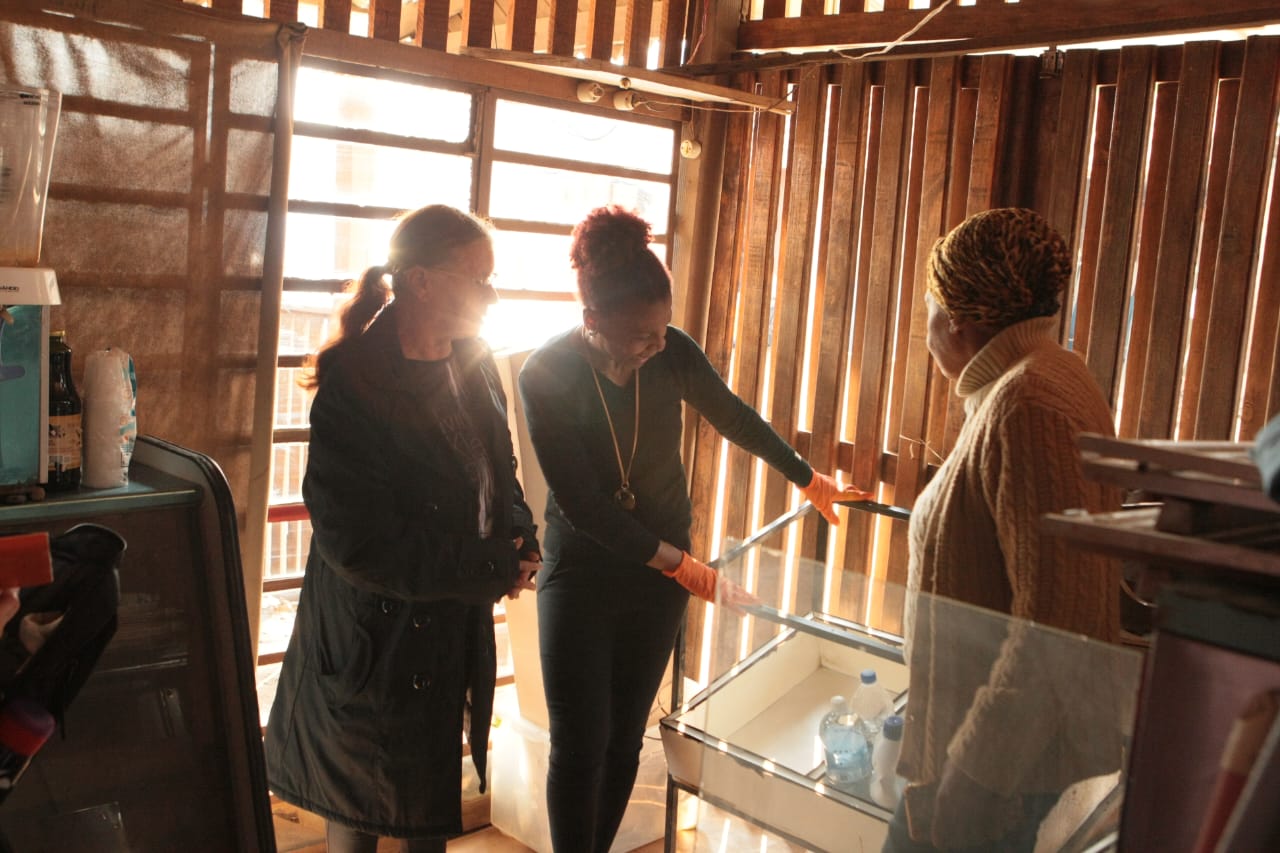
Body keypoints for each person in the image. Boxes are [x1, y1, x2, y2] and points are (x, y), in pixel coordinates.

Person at [517, 205, 869, 853]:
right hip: (585, 570)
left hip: (660, 575)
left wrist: (806, 476)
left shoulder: (672, 352)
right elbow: (587, 505)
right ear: (592, 320)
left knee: (626, 735)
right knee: (580, 739)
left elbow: (731, 414)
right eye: (640, 336)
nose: (656, 346)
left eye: (662, 330)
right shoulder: (545, 375)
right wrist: (681, 563)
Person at [263, 205, 541, 853]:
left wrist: (519, 536)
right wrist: (491, 566)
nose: (492, 294)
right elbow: (358, 542)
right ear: (421, 281)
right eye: (479, 278)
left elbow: (499, 471)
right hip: (367, 637)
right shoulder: (355, 383)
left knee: (427, 813)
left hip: (443, 629)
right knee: (355, 814)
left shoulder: (472, 361)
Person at [886, 208, 1125, 852]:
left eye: (931, 303)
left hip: (994, 772)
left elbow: (1056, 625)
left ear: (961, 318)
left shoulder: (1029, 403)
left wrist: (974, 775)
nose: (926, 322)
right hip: (979, 752)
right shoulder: (1030, 382)